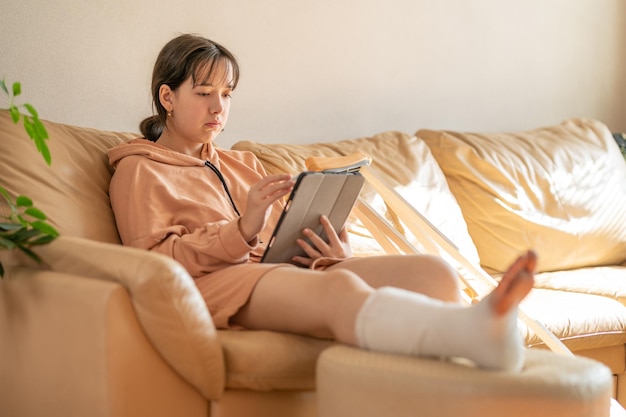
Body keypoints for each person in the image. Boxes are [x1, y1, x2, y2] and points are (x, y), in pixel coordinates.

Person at [108, 33, 536, 372]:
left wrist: (329, 252)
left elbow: (281, 243)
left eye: (227, 93)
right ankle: (477, 333)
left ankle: (460, 363)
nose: (219, 107)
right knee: (341, 288)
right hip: (217, 283)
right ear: (168, 98)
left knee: (432, 274)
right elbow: (154, 262)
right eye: (204, 93)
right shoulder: (139, 170)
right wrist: (240, 231)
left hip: (279, 271)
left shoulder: (243, 163)